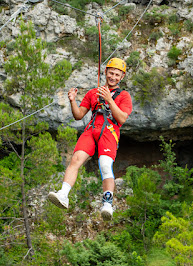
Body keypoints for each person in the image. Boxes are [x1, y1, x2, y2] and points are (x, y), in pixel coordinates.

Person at [48, 57, 132, 220]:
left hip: (109, 131)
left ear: (122, 77)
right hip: (92, 129)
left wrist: (108, 99)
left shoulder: (124, 96)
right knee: (75, 160)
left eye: (117, 74)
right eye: (111, 73)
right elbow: (79, 115)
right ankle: (63, 194)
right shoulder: (93, 93)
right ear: (105, 72)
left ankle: (107, 204)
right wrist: (72, 101)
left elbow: (121, 118)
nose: (113, 77)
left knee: (105, 165)